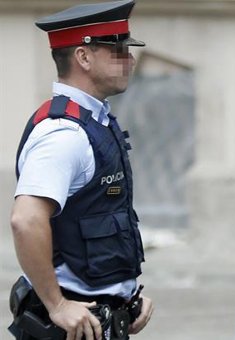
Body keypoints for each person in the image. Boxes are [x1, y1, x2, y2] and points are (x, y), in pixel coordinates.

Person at [8, 1, 154, 339]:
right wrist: (57, 305)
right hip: (71, 326)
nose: (129, 59)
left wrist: (126, 296)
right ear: (83, 57)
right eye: (117, 49)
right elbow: (25, 220)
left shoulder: (96, 122)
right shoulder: (64, 134)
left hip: (98, 318)